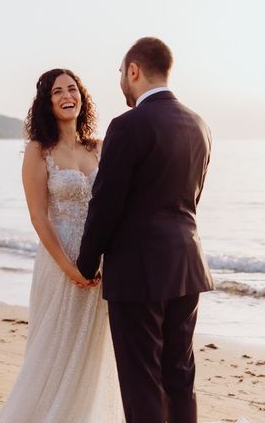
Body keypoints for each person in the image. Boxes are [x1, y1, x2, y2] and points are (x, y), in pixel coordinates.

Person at [76, 37, 215, 423]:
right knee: (179, 377)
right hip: (187, 265)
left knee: (142, 382)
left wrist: (86, 264)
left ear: (134, 70)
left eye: (122, 72)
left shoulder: (127, 126)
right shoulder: (199, 125)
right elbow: (191, 199)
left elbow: (105, 205)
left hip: (138, 272)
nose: (121, 80)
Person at [0, 69, 124, 422]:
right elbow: (39, 218)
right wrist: (69, 267)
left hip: (98, 262)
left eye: (73, 89)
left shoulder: (98, 147)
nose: (68, 96)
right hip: (59, 260)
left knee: (90, 351)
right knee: (53, 347)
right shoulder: (38, 151)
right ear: (46, 103)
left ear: (82, 96)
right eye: (58, 92)